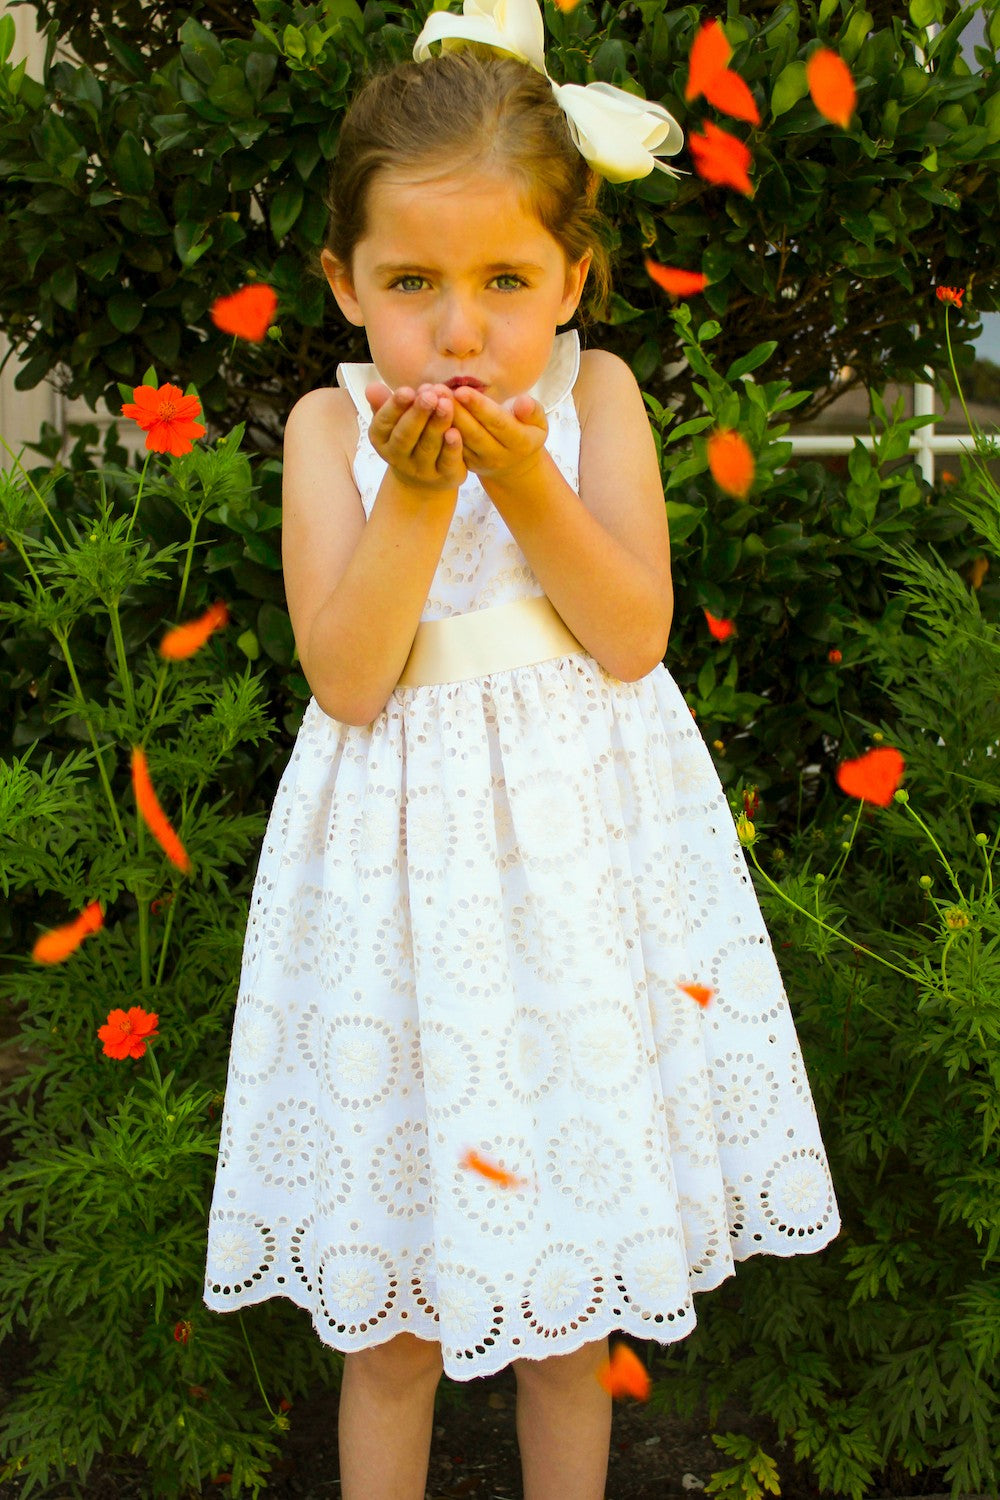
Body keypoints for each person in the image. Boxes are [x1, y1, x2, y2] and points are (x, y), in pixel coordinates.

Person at [204, 2, 841, 1497]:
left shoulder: (594, 396)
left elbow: (630, 633)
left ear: (572, 279)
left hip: (577, 882)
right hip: (399, 889)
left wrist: (522, 478)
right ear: (344, 284)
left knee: (573, 1300)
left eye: (505, 280)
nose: (460, 328)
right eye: (411, 282)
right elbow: (348, 678)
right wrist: (422, 498)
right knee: (394, 1322)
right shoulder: (328, 432)